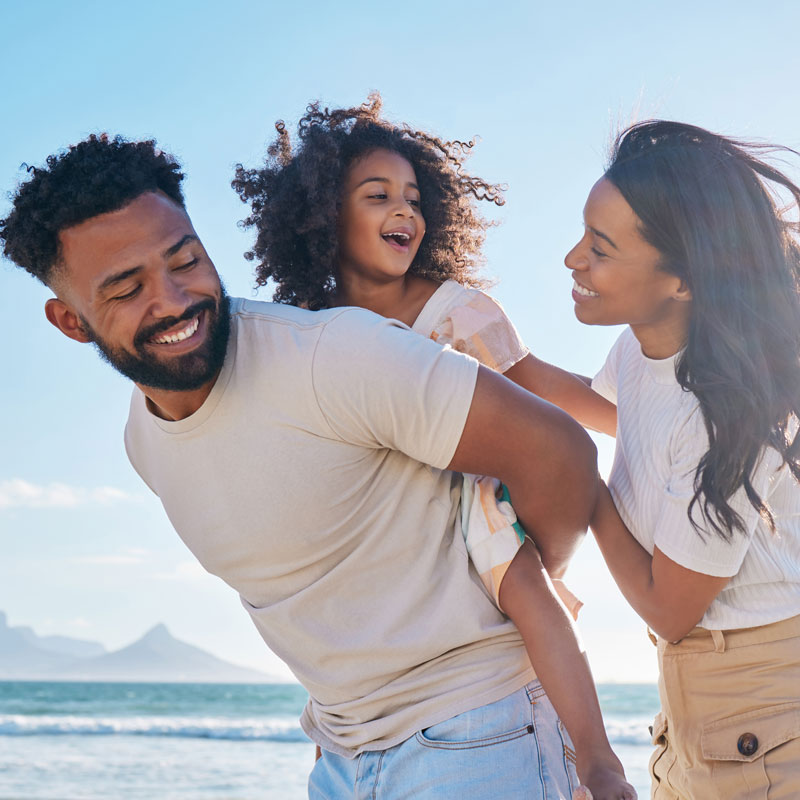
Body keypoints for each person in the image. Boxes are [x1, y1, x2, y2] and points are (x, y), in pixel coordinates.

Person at [3, 134, 600, 799]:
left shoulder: (333, 358)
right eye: (126, 289)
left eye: (185, 260)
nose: (173, 300)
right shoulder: (143, 441)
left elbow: (561, 452)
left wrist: (519, 580)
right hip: (340, 756)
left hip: (475, 735)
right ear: (69, 321)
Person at [232, 94, 634, 800]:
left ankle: (598, 762)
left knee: (529, 592)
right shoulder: (312, 333)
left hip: (466, 497)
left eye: (414, 198)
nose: (404, 212)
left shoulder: (453, 309)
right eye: (378, 194)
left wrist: (640, 420)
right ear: (327, 214)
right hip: (383, 523)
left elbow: (538, 384)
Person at [561, 121, 800, 799]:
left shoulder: (727, 417)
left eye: (600, 248)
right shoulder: (643, 350)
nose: (573, 259)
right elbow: (599, 407)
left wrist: (581, 482)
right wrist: (483, 350)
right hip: (695, 711)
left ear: (685, 281)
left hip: (763, 717)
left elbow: (670, 609)